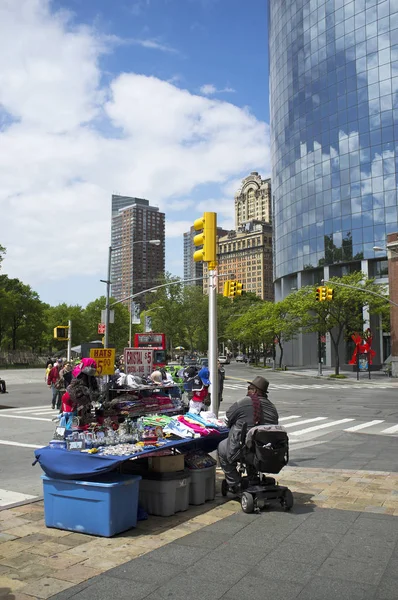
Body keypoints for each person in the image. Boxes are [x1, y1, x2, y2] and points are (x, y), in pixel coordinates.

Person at [218, 375, 279, 493]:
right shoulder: (272, 408)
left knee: (222, 448)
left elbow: (227, 420)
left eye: (249, 388)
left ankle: (235, 483)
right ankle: (253, 477)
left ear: (255, 390)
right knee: (254, 444)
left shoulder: (243, 402)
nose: (247, 390)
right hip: (265, 452)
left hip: (242, 451)